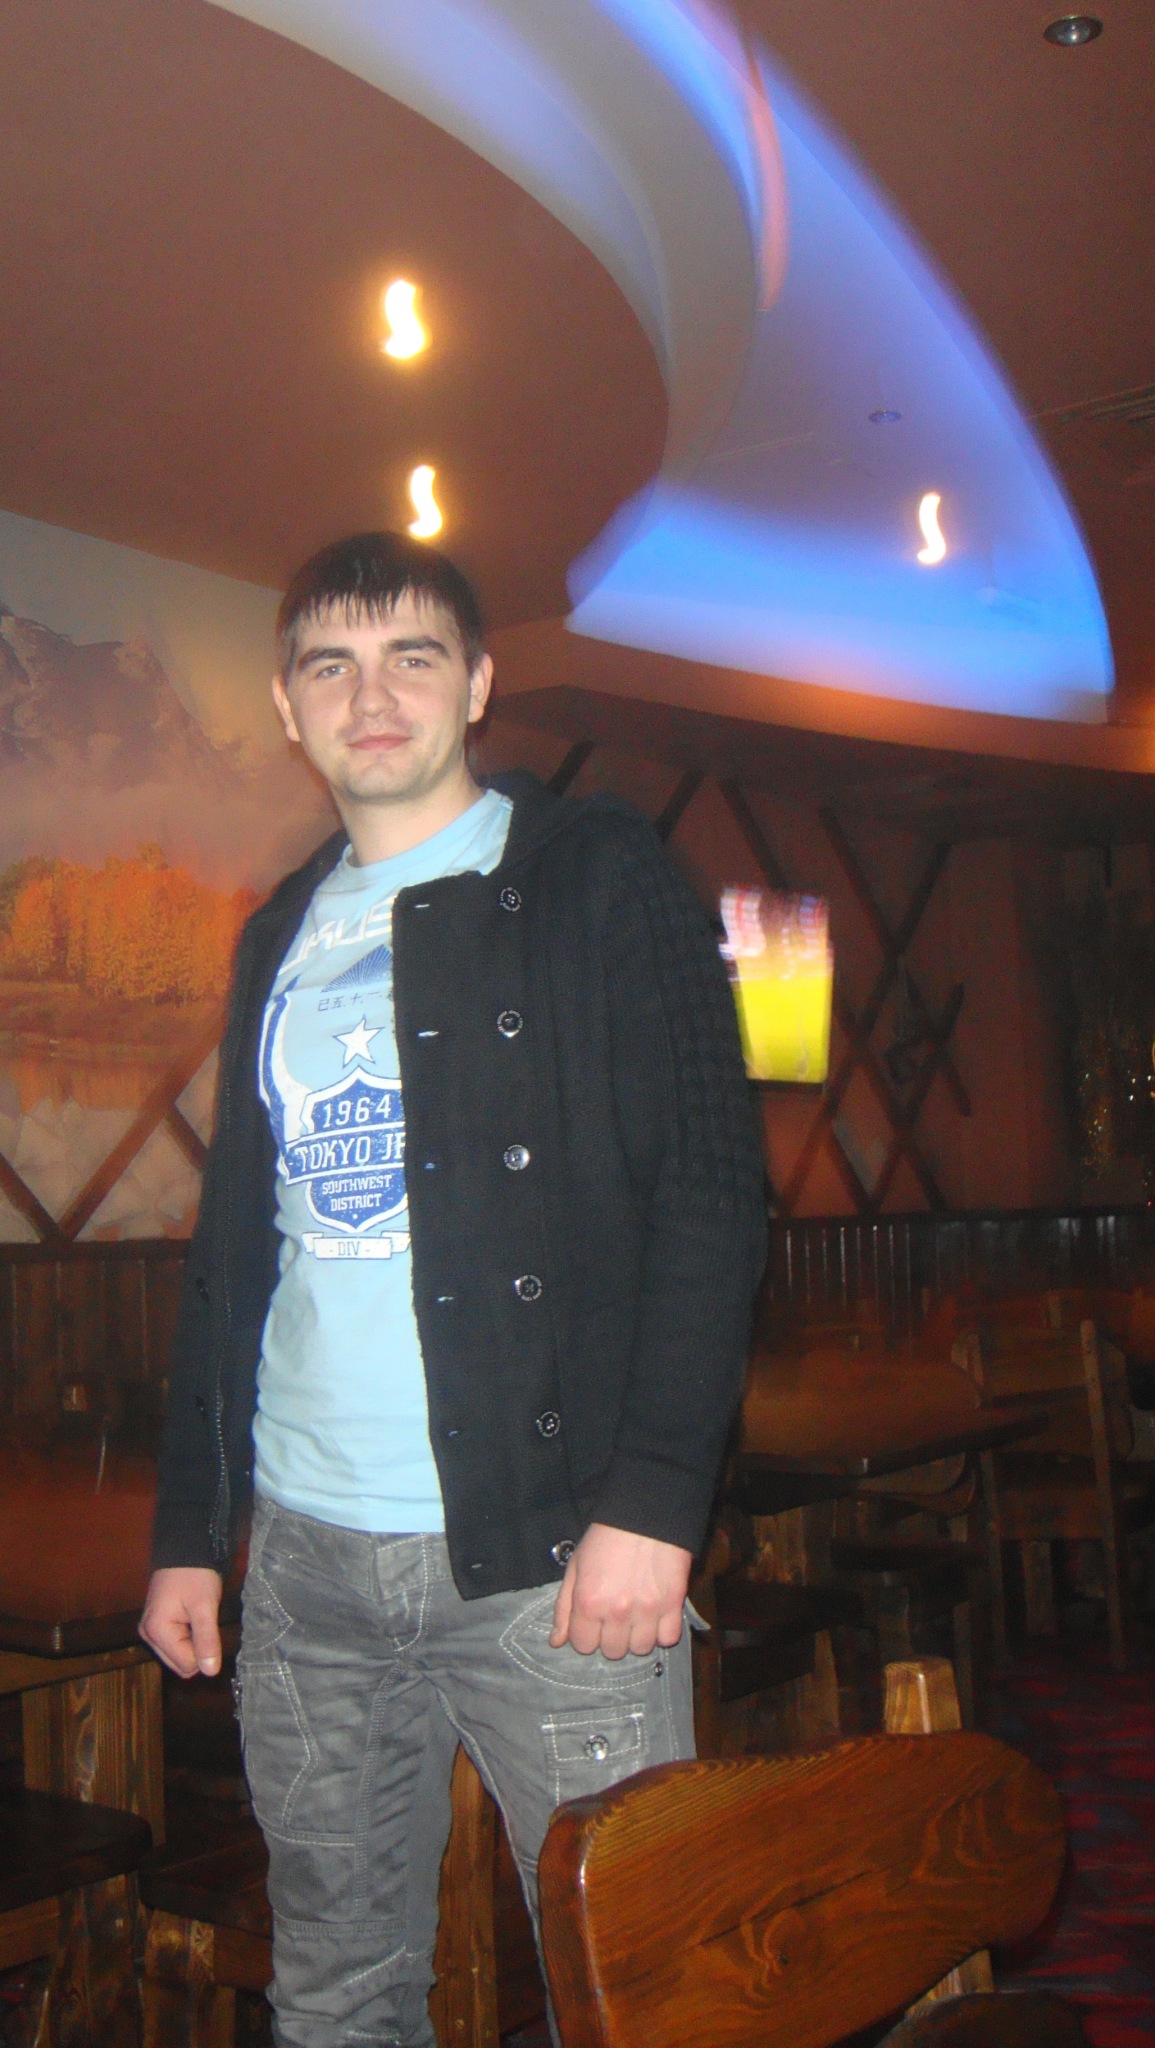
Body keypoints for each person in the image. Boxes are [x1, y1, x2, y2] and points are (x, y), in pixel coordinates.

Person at [140, 530, 766, 2048]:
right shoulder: (277, 933)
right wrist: (189, 1534)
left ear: (477, 684)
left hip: (557, 1561)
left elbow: (709, 1189)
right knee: (336, 1995)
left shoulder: (597, 874)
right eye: (331, 666)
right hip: (306, 1562)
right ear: (289, 707)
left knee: (643, 1999)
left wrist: (656, 1499)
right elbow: (237, 1252)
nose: (371, 697)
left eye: (411, 656)